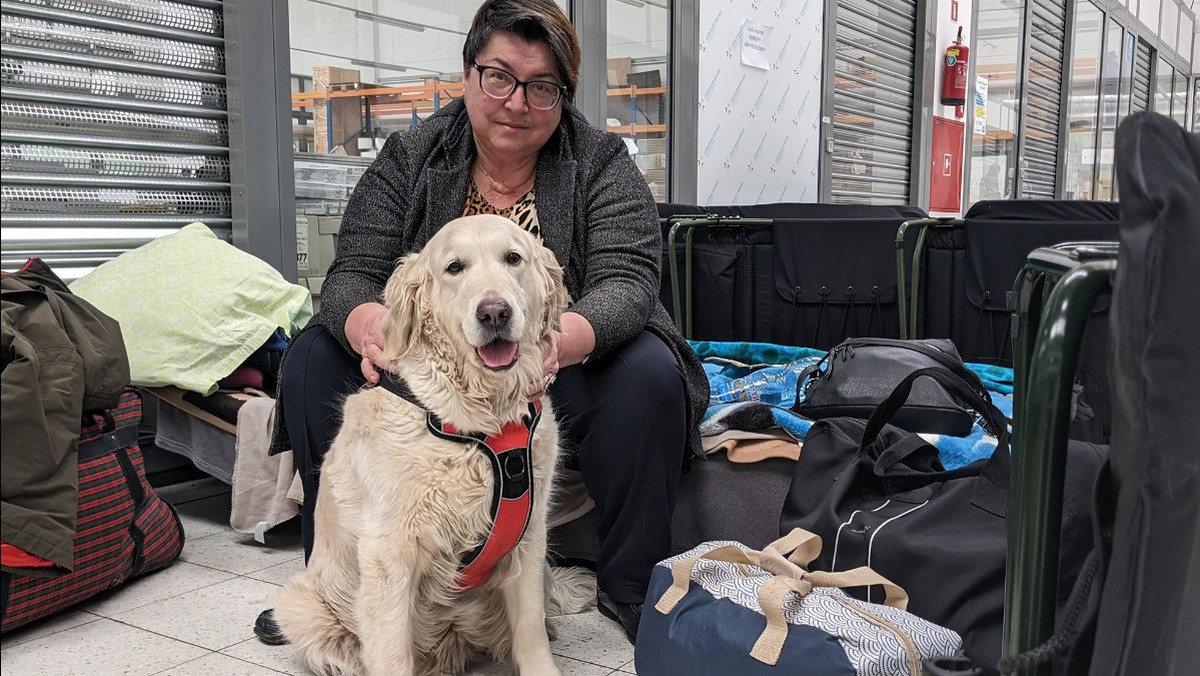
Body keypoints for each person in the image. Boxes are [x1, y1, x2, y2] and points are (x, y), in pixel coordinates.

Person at [254, 0, 708, 647]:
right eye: (499, 76)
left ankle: (631, 582)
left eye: (542, 86)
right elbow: (353, 271)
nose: (517, 101)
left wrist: (561, 341)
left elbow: (628, 281)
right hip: (435, 371)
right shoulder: (413, 153)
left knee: (649, 374)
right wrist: (371, 324)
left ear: (563, 96)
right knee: (310, 362)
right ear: (468, 75)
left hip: (556, 363)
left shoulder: (602, 160)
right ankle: (339, 590)